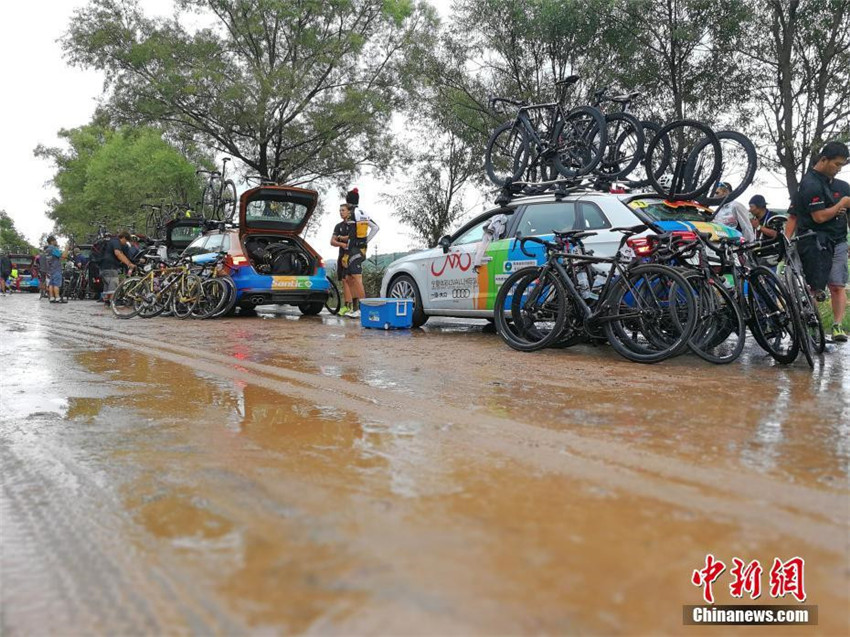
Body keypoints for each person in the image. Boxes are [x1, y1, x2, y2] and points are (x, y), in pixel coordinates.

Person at [785, 141, 850, 342]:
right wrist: (786, 242)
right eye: (836, 164)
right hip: (813, 242)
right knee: (814, 287)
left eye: (842, 166)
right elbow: (808, 217)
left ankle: (838, 326)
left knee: (837, 285)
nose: (838, 169)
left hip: (838, 241)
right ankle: (812, 325)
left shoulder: (843, 187)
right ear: (823, 159)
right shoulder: (809, 184)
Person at [340, 188, 379, 319]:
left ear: (348, 202)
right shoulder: (364, 212)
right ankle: (356, 309)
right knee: (349, 279)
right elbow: (376, 227)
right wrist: (366, 241)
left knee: (356, 279)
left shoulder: (352, 214)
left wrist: (346, 254)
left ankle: (363, 310)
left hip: (353, 250)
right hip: (361, 249)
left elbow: (351, 236)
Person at [331, 202, 354, 317]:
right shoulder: (338, 226)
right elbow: (332, 241)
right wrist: (341, 243)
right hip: (342, 256)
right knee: (344, 280)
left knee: (350, 280)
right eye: (340, 210)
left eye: (343, 210)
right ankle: (346, 306)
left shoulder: (353, 224)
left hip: (352, 255)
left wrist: (340, 238)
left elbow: (352, 237)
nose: (341, 212)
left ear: (349, 211)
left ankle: (353, 307)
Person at [100, 231, 135, 303]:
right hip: (110, 267)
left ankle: (107, 303)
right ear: (124, 238)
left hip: (103, 267)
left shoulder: (111, 242)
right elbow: (118, 253)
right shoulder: (116, 242)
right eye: (126, 241)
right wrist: (129, 263)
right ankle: (112, 302)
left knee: (107, 287)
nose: (125, 243)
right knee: (113, 285)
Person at [44, 236, 67, 303]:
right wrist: (66, 249)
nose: (56, 242)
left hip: (50, 269)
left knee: (51, 284)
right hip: (56, 268)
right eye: (55, 240)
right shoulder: (53, 249)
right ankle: (57, 297)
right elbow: (63, 256)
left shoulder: (47, 250)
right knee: (56, 284)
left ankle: (51, 297)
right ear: (52, 241)